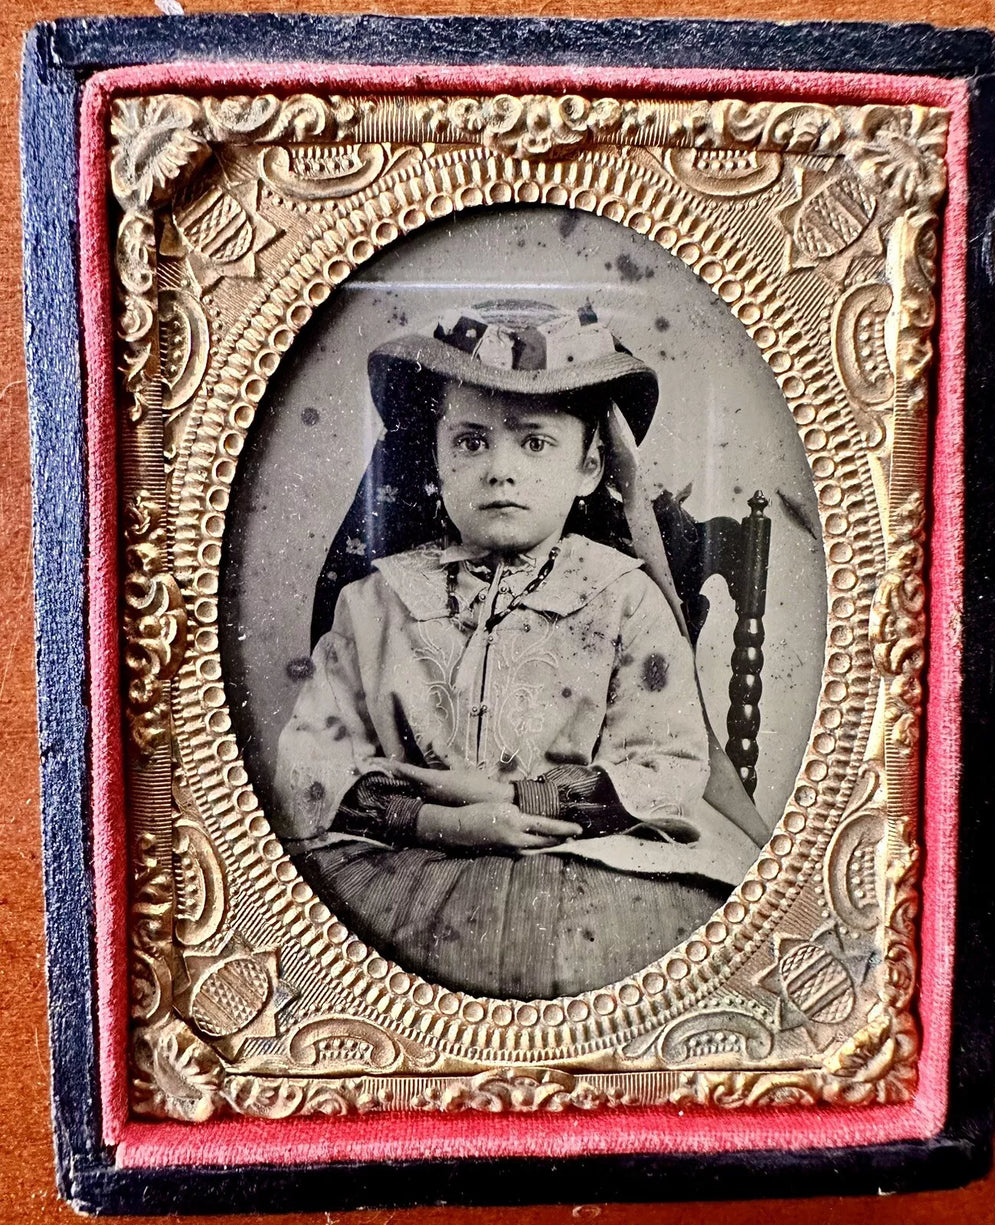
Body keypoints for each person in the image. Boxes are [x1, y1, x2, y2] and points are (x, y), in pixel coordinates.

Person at [274, 300, 765, 1000]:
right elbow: (310, 763)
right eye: (472, 441)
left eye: (534, 443)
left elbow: (669, 764)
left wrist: (514, 799)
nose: (500, 469)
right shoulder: (374, 605)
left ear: (590, 466)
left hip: (589, 871)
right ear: (437, 459)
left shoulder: (624, 599)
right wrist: (441, 819)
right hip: (406, 862)